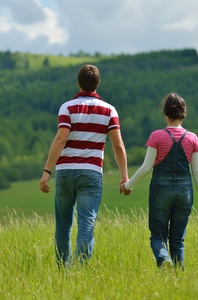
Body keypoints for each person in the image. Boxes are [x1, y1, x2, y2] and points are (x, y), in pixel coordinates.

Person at [40, 64, 129, 266]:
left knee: (63, 227)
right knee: (86, 225)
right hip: (91, 173)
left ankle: (64, 271)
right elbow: (118, 145)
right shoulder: (109, 110)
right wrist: (124, 177)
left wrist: (47, 170)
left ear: (78, 83)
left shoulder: (67, 107)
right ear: (98, 84)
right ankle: (81, 272)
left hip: (64, 173)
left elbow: (61, 139)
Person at [120, 92, 198, 270]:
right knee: (178, 240)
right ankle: (177, 280)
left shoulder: (157, 136)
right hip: (185, 190)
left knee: (158, 235)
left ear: (166, 114)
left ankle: (163, 257)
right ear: (184, 113)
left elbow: (146, 167)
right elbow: (197, 172)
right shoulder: (193, 138)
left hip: (161, 189)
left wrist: (128, 185)